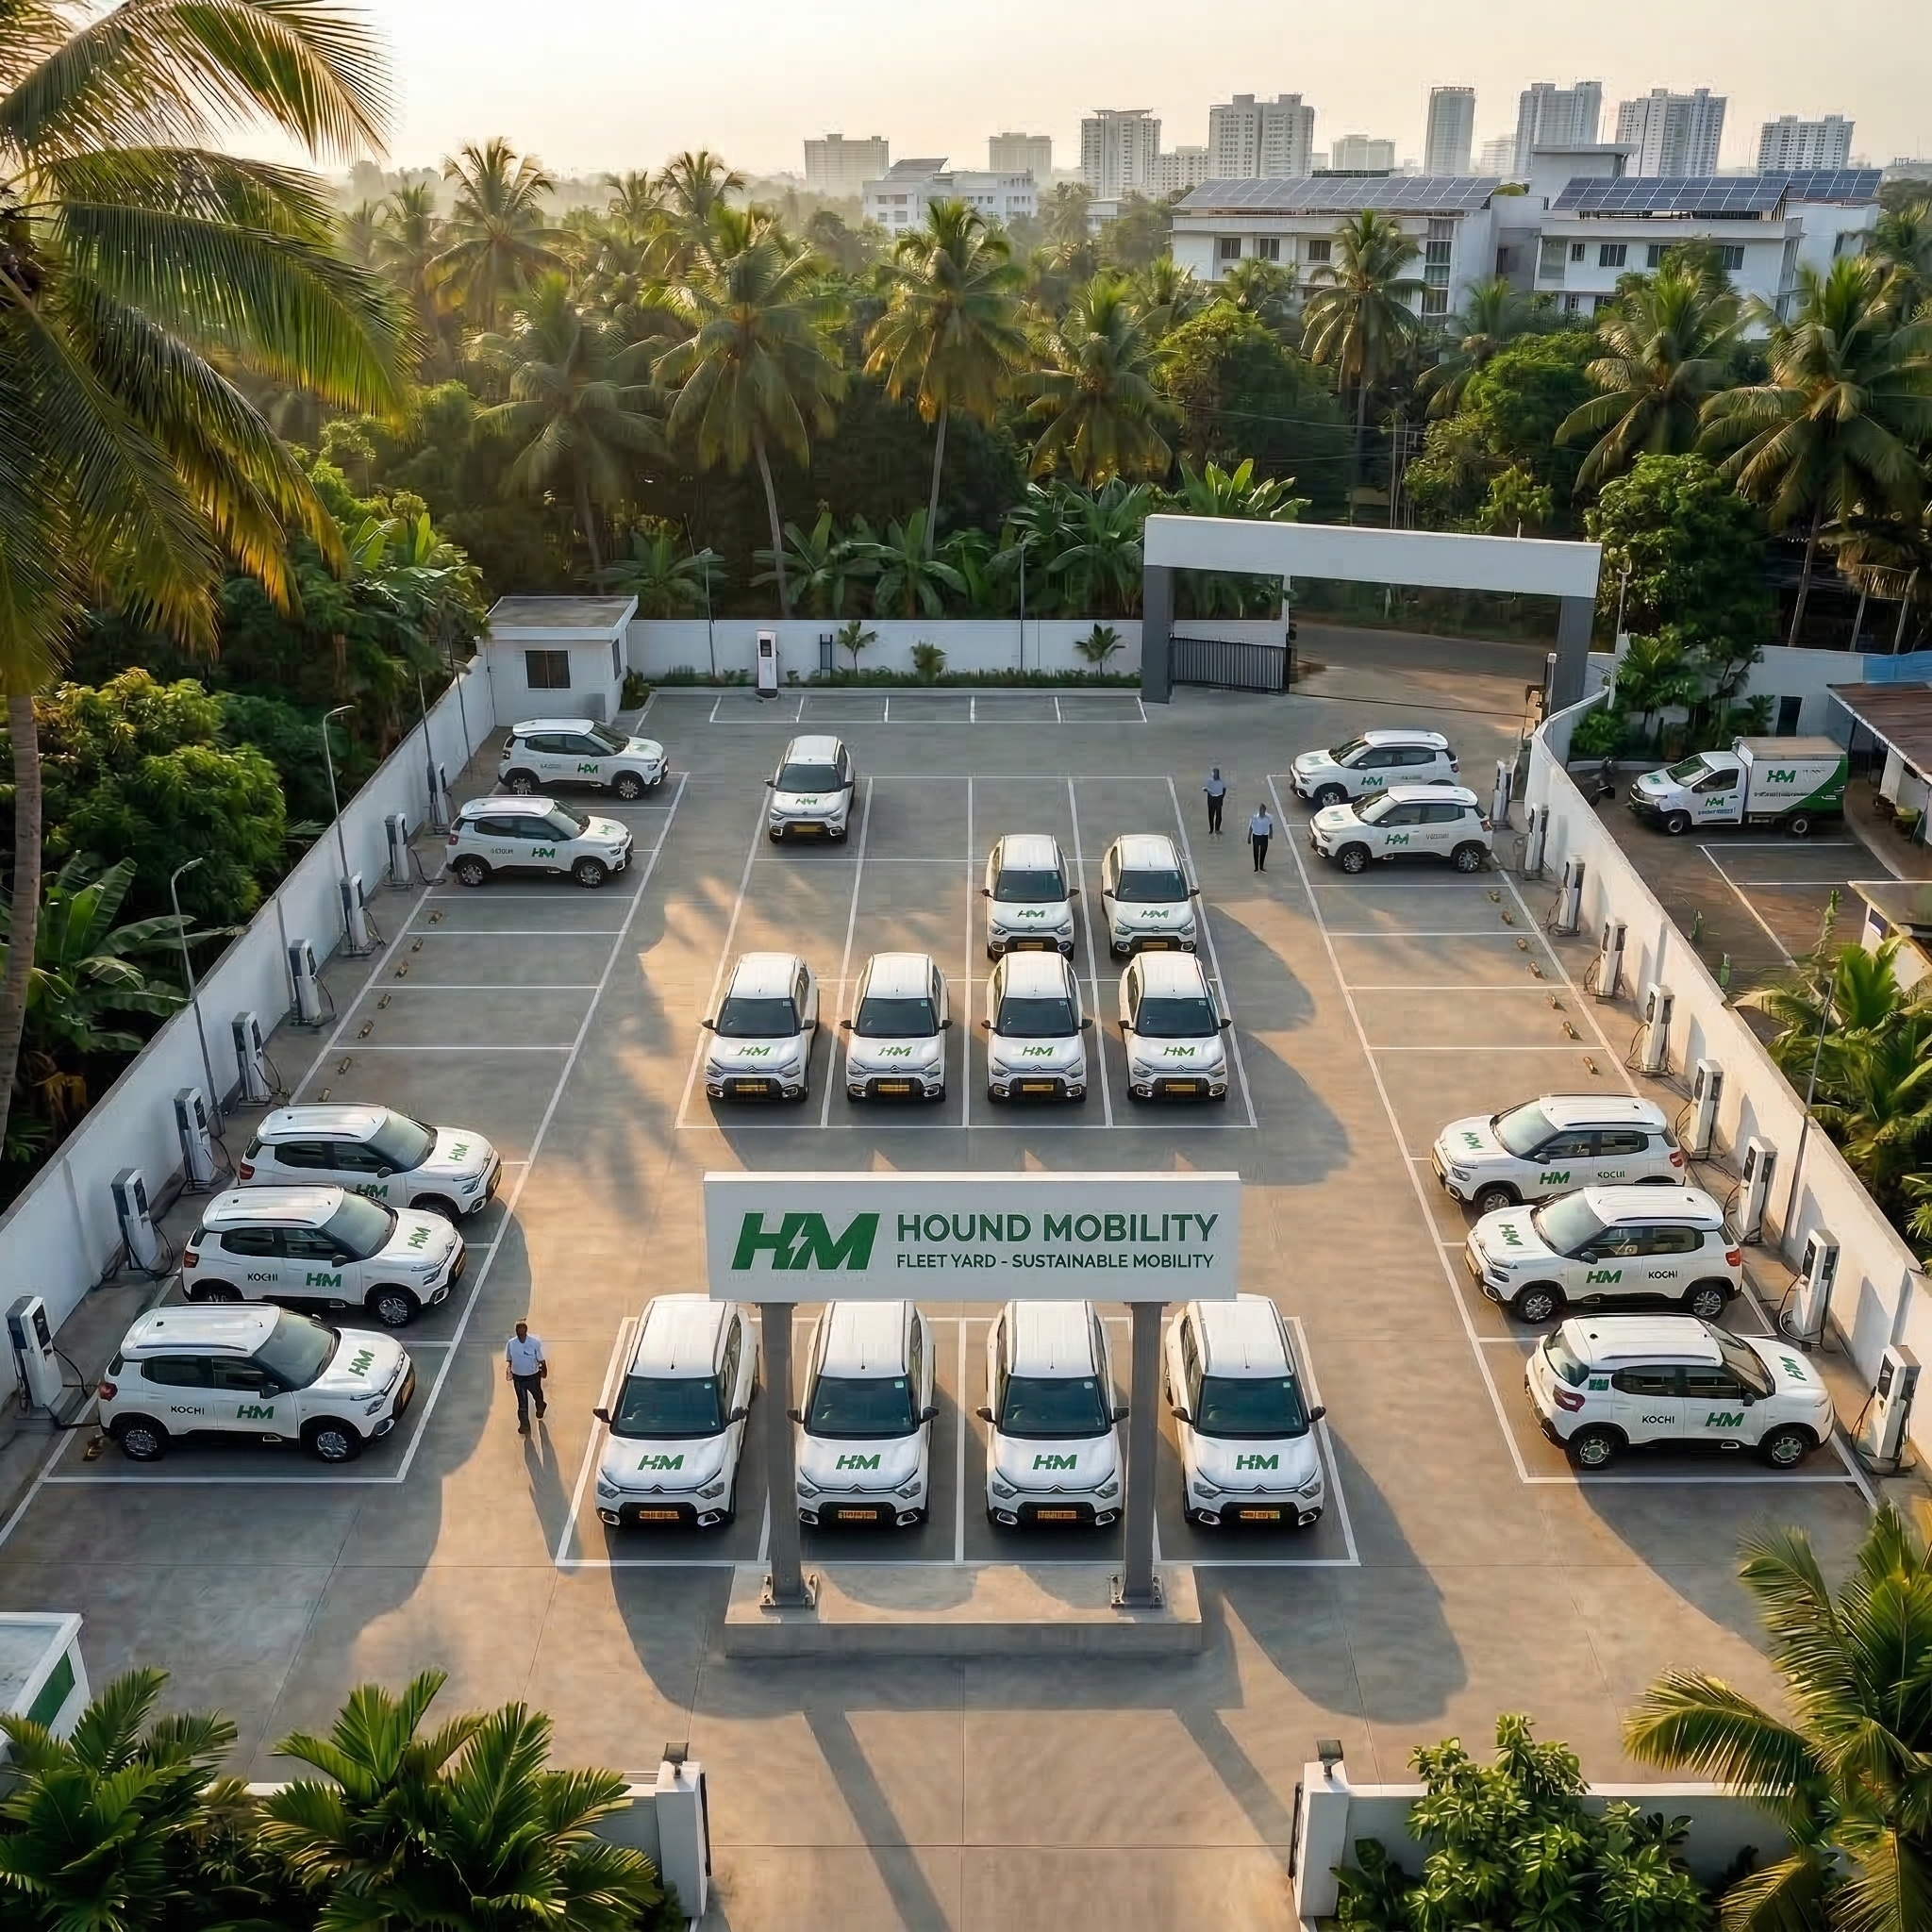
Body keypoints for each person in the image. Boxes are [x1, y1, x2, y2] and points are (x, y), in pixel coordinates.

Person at [506, 1320, 547, 1433]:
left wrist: (544, 1371)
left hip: (533, 1376)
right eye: (519, 1331)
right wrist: (510, 1370)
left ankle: (541, 1406)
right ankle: (525, 1425)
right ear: (516, 1332)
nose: (521, 1333)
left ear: (526, 1331)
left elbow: (541, 1360)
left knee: (537, 1395)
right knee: (522, 1403)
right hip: (518, 1377)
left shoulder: (534, 1343)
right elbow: (509, 1359)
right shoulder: (511, 1343)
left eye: (523, 1330)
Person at [1247, 803, 1274, 873]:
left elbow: (1270, 825)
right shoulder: (1255, 817)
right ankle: (1256, 867)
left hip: (1264, 836)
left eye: (1263, 810)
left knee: (1263, 852)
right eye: (1261, 810)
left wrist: (1271, 834)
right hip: (1256, 835)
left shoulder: (1268, 818)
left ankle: (1261, 866)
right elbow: (1250, 827)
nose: (1262, 812)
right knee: (1256, 852)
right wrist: (1249, 837)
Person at [1203, 767, 1228, 834]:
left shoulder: (1221, 781)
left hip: (1218, 798)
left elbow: (1224, 789)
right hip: (1211, 798)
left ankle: (1217, 829)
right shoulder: (1210, 780)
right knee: (1211, 814)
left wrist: (1221, 797)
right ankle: (1211, 829)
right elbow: (1206, 788)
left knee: (1218, 814)